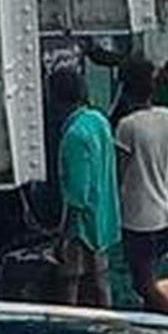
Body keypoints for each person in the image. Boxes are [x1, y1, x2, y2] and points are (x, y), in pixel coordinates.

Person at [51, 67, 121, 308]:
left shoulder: (74, 135)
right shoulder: (99, 121)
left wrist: (63, 237)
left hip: (81, 226)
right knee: (101, 280)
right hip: (103, 217)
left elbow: (78, 195)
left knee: (70, 281)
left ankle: (68, 333)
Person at [115, 57, 168, 314]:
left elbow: (119, 174)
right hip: (164, 214)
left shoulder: (126, 127)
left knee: (143, 285)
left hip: (137, 219)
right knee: (154, 281)